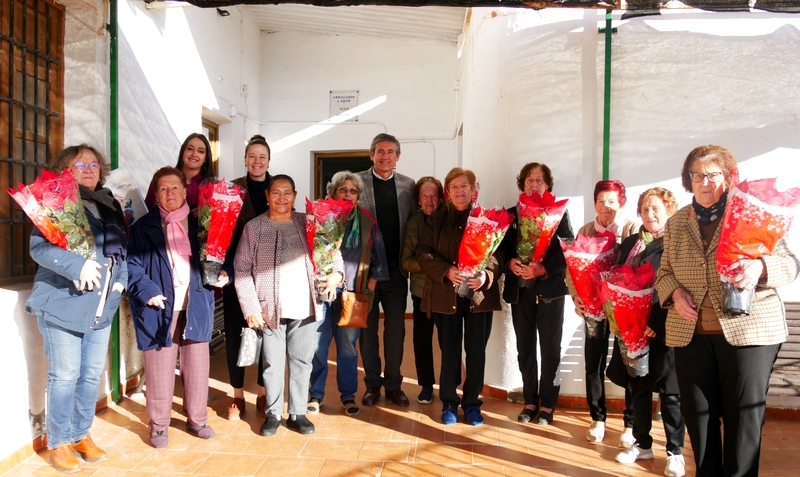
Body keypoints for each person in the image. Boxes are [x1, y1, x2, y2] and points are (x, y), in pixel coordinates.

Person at [655, 145, 800, 476]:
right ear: (687, 181)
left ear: (729, 177)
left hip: (749, 332)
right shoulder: (677, 222)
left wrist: (759, 268)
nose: (705, 182)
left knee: (743, 418)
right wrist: (675, 293)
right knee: (699, 417)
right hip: (691, 334)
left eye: (713, 174)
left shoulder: (752, 213)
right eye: (697, 175)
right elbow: (664, 273)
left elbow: (790, 264)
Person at [26, 145, 128, 472]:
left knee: (89, 376)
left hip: (101, 305)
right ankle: (58, 443)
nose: (89, 169)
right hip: (64, 302)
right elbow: (39, 247)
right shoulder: (55, 202)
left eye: (94, 164)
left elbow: (120, 252)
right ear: (65, 169)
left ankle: (80, 434)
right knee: (65, 375)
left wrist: (120, 281)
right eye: (80, 164)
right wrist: (76, 267)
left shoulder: (108, 204)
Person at [234, 175, 343, 437]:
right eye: (276, 193)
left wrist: (336, 275)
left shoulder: (309, 222)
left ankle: (297, 413)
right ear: (267, 196)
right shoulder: (254, 227)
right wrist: (250, 308)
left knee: (302, 361)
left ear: (295, 196)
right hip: (268, 309)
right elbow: (240, 268)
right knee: (272, 363)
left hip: (306, 305)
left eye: (287, 193)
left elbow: (333, 254)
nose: (281, 198)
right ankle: (272, 414)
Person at [127, 167, 228, 448]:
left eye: (175, 187)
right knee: (159, 366)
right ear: (156, 195)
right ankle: (159, 425)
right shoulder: (144, 227)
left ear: (185, 191)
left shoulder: (201, 224)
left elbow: (220, 253)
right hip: (159, 306)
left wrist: (222, 272)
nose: (169, 193)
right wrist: (147, 290)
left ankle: (198, 419)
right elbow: (132, 265)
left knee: (196, 365)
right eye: (163, 189)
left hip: (195, 301)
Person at [605, 187, 686, 477]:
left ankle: (675, 452)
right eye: (645, 209)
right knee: (637, 386)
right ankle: (642, 443)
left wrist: (657, 320)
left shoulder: (678, 241)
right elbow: (615, 280)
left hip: (664, 327)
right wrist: (615, 314)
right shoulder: (630, 243)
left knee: (670, 391)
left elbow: (679, 283)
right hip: (633, 328)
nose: (650, 214)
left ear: (669, 211)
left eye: (656, 209)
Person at [416, 167, 505, 426]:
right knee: (450, 352)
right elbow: (423, 252)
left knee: (476, 352)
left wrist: (487, 276)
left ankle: (472, 404)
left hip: (478, 297)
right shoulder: (437, 220)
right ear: (448, 192)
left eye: (464, 186)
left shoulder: (487, 219)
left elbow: (499, 254)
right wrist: (447, 271)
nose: (459, 191)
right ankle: (449, 403)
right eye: (454, 187)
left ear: (474, 189)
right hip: (447, 295)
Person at [308, 171, 390, 417]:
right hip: (322, 291)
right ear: (333, 191)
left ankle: (347, 396)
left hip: (353, 293)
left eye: (353, 191)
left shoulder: (367, 220)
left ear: (358, 196)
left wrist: (368, 291)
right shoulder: (320, 216)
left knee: (347, 348)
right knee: (318, 345)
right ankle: (316, 395)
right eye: (343, 189)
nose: (347, 194)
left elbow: (380, 259)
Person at [501, 162, 574, 425]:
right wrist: (510, 263)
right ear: (522, 184)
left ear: (548, 186)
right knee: (525, 348)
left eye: (539, 181)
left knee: (550, 349)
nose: (534, 184)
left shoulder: (559, 214)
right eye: (530, 180)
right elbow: (501, 250)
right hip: (521, 293)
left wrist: (542, 268)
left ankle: (548, 404)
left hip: (550, 294)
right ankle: (530, 400)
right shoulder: (512, 215)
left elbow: (569, 250)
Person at [568, 179, 638, 446]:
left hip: (625, 309)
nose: (605, 207)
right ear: (594, 203)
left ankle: (630, 423)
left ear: (621, 203)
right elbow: (571, 267)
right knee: (593, 362)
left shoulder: (633, 229)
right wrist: (576, 296)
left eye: (611, 201)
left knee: (631, 364)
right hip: (594, 308)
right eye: (600, 201)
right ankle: (597, 419)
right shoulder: (586, 230)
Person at [356, 133, 416, 407]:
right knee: (367, 331)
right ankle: (372, 385)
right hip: (366, 274)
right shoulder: (356, 183)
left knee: (395, 331)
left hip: (395, 273)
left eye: (390, 152)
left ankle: (393, 384)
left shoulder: (408, 186)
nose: (385, 156)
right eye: (380, 151)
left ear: (398, 156)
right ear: (371, 155)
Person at [222, 134, 271, 420]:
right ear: (245, 160)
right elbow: (222, 232)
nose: (257, 161)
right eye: (252, 156)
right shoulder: (232, 189)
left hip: (268, 275)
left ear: (268, 160)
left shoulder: (278, 187)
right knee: (236, 334)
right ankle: (237, 395)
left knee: (267, 334)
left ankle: (263, 392)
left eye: (262, 156)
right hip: (236, 272)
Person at [401, 176, 444, 404]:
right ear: (418, 200)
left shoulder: (447, 219)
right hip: (421, 293)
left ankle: (448, 386)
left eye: (434, 195)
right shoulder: (414, 223)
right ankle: (426, 385)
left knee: (448, 342)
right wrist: (432, 263)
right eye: (425, 196)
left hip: (447, 291)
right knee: (422, 340)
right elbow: (406, 262)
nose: (429, 200)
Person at [144, 133, 213, 212]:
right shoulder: (163, 177)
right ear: (183, 151)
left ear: (206, 158)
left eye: (200, 151)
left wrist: (207, 213)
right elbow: (146, 209)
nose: (194, 154)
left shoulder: (213, 186)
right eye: (190, 149)